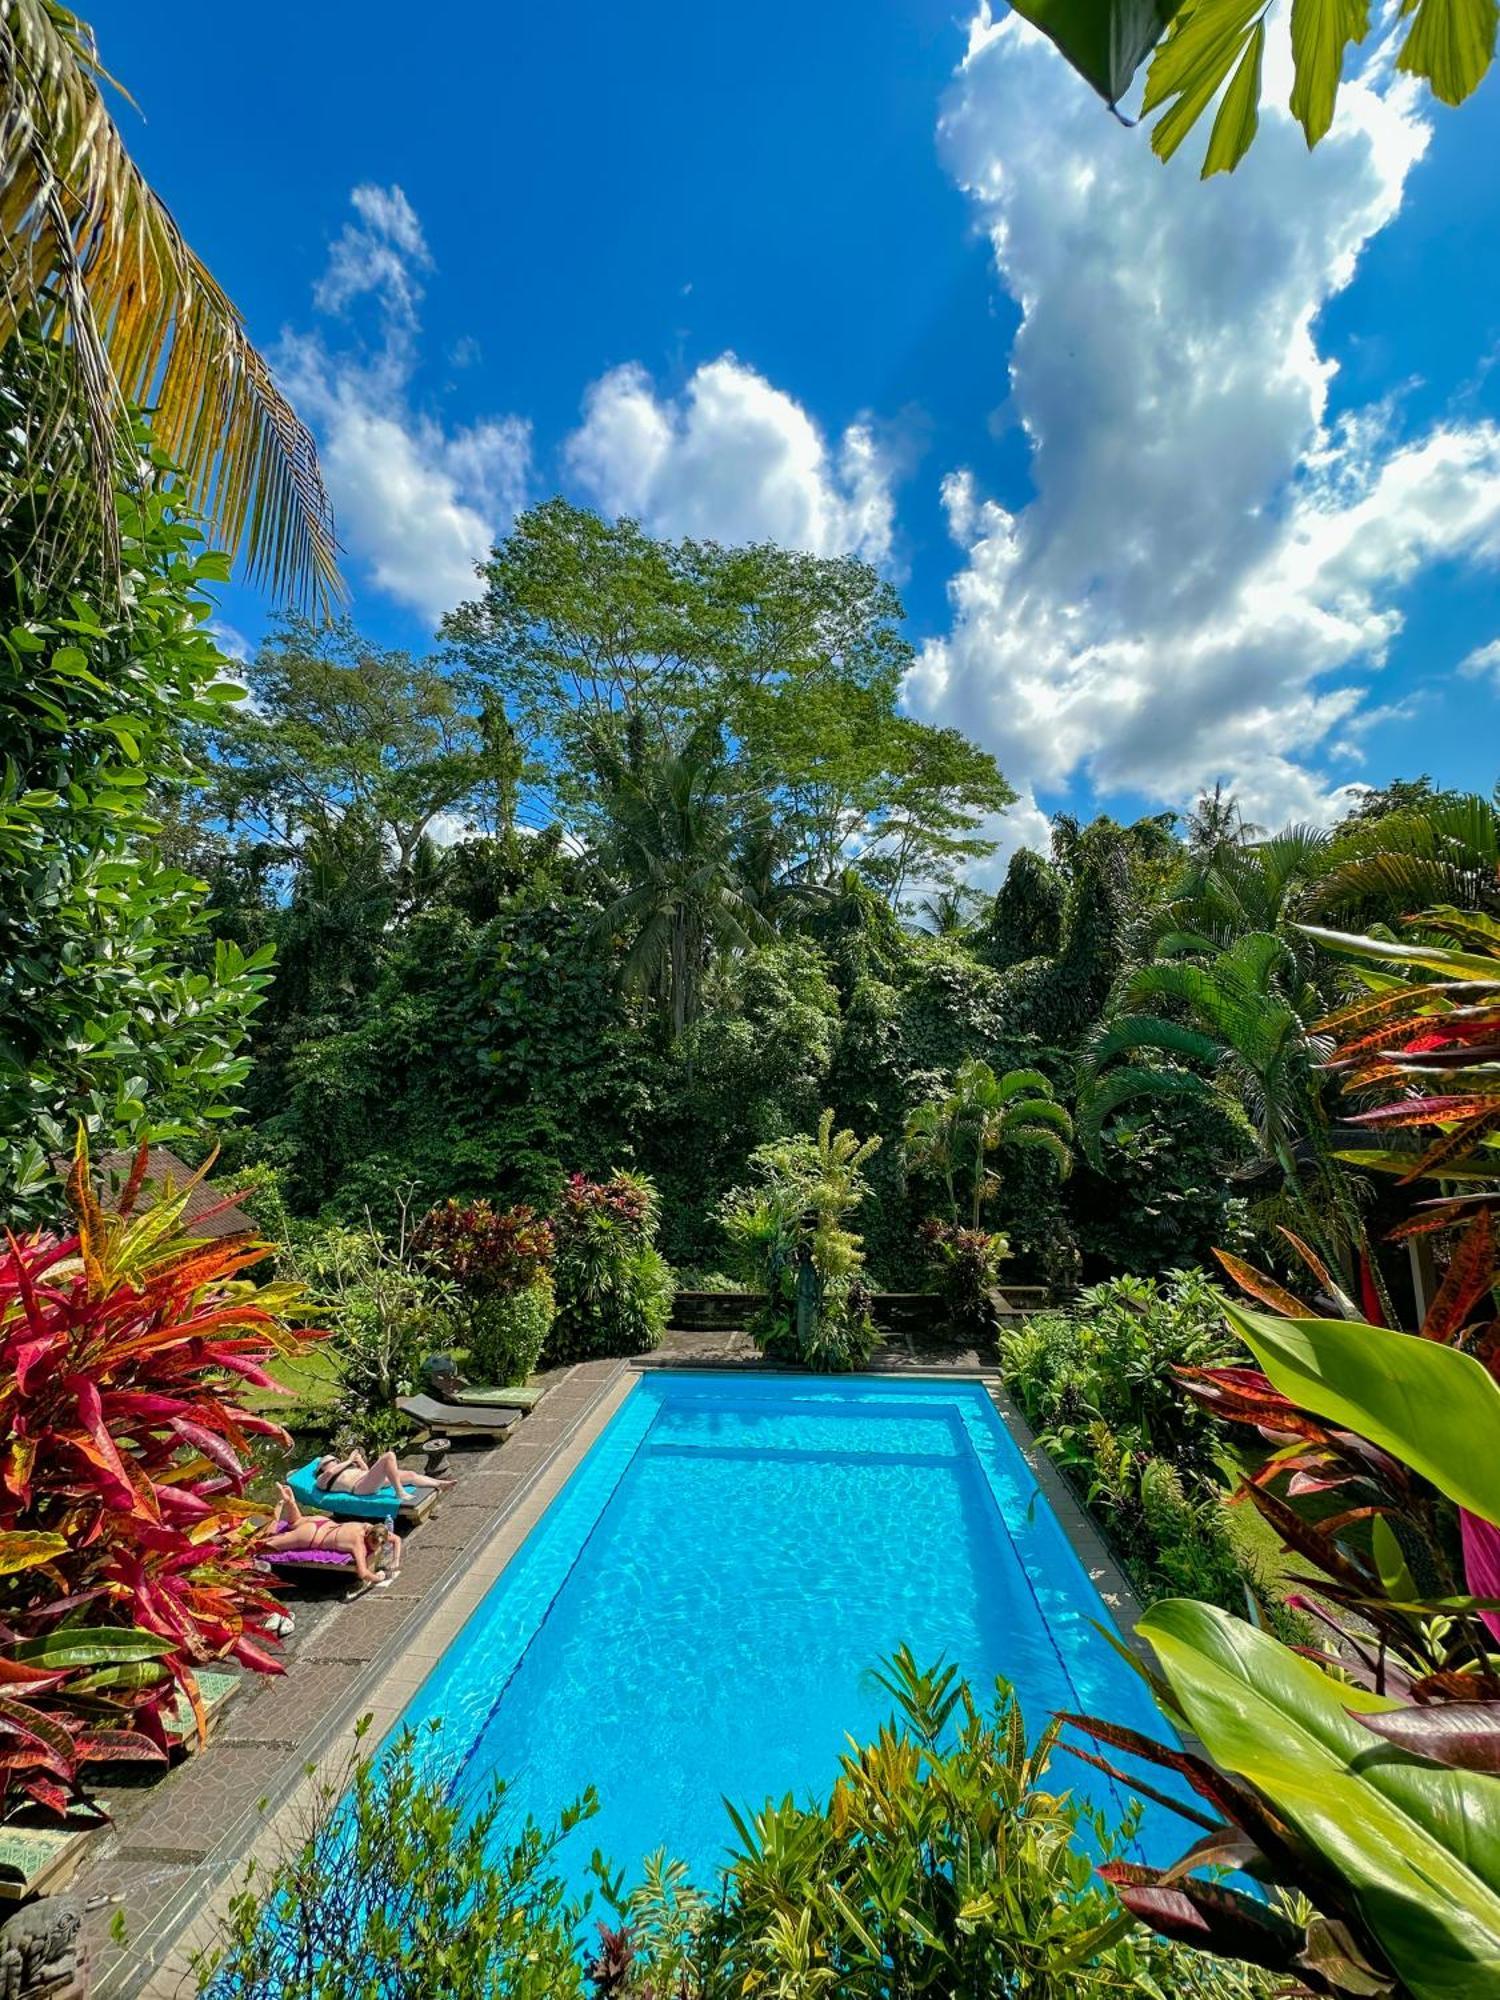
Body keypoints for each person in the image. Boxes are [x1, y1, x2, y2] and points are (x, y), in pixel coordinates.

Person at [264, 1484, 400, 1586]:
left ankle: (290, 1502)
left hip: (321, 1521)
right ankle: (278, 1509)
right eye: (373, 1544)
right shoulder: (358, 1544)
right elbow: (363, 1573)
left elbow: (397, 1539)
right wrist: (379, 1577)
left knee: (296, 1522)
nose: (374, 1548)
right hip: (312, 1535)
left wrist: (396, 1560)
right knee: (264, 1545)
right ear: (368, 1537)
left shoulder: (370, 1527)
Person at [312, 1446, 455, 1501]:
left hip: (366, 1481)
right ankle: (399, 1491)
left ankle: (439, 1484)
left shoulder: (347, 1469)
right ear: (322, 1466)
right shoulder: (321, 1479)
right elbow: (331, 1471)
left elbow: (367, 1473)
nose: (335, 1462)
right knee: (389, 1456)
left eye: (335, 1460)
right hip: (359, 1488)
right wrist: (349, 1460)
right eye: (331, 1460)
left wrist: (360, 1461)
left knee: (410, 1474)